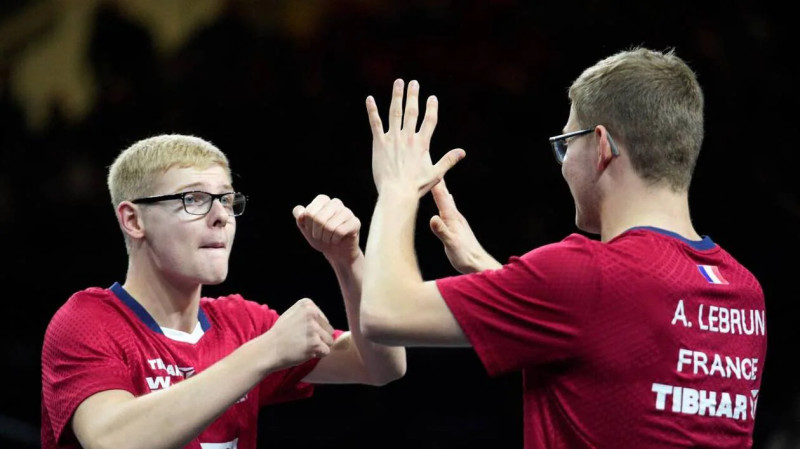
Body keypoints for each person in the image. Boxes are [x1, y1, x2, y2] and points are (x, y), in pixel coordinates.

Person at [360, 47, 767, 447]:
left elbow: (386, 313)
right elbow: (614, 337)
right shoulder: (745, 293)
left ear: (602, 145)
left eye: (568, 141)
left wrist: (397, 189)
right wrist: (486, 268)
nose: (564, 162)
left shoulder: (586, 275)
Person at [41, 134, 406, 449]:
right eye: (194, 199)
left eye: (227, 200)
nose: (221, 217)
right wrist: (266, 352)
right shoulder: (87, 321)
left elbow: (381, 364)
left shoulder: (242, 322)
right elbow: (112, 441)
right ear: (134, 220)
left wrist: (349, 260)